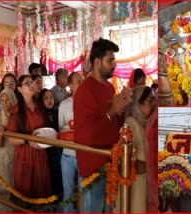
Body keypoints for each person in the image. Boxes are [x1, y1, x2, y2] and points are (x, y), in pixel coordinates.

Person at [74, 38, 132, 212]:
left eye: (114, 60)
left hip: (110, 162)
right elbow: (87, 136)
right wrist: (113, 111)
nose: (114, 64)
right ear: (97, 62)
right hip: (93, 166)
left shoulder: (108, 87)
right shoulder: (85, 91)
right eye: (110, 60)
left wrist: (123, 109)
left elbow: (113, 124)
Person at [6, 75, 51, 198]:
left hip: (41, 155)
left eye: (32, 82)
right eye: (28, 83)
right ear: (20, 89)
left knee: (41, 189)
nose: (32, 85)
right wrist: (27, 140)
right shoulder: (17, 110)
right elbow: (11, 138)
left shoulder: (39, 107)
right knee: (26, 191)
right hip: (25, 156)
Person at [115, 86, 156, 212]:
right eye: (150, 101)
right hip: (136, 181)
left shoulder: (146, 121)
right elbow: (127, 160)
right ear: (138, 103)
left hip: (145, 179)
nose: (153, 104)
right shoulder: (131, 123)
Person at [0, 89, 18, 212]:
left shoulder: (17, 117)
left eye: (8, 100)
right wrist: (0, 134)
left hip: (14, 159)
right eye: (2, 100)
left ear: (13, 101)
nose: (5, 103)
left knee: (13, 191)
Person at [58, 72, 84, 212]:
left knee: (84, 191)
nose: (82, 84)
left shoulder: (89, 104)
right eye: (79, 82)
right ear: (71, 85)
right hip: (67, 155)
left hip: (84, 154)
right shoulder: (64, 105)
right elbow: (60, 128)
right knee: (68, 192)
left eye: (83, 81)